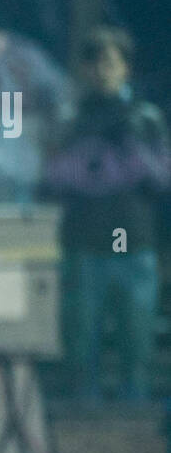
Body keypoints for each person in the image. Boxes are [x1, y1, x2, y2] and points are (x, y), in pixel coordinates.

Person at [41, 26, 171, 403]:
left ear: (126, 68)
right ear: (84, 70)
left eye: (111, 63)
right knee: (83, 349)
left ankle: (134, 431)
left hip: (138, 247)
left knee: (137, 345)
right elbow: (51, 179)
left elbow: (163, 180)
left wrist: (132, 152)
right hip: (86, 248)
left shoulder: (147, 118)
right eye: (95, 63)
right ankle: (87, 427)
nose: (103, 72)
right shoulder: (72, 121)